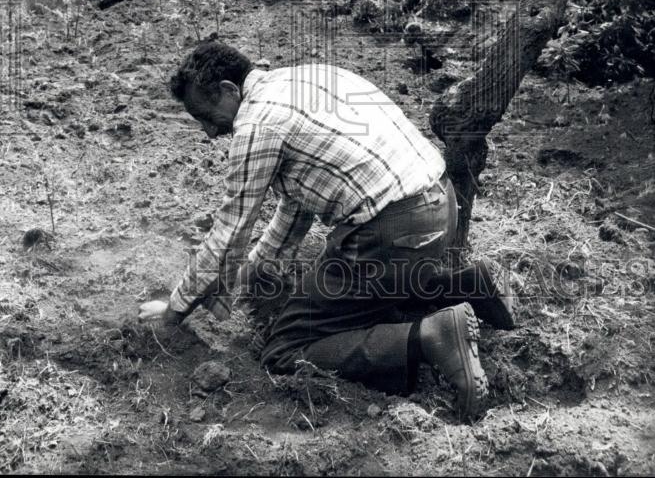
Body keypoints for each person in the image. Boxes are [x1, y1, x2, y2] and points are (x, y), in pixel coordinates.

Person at [139, 41, 515, 421]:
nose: (207, 131)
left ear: (227, 90)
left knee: (287, 347)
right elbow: (295, 208)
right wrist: (256, 271)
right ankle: (471, 285)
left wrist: (175, 311)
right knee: (373, 291)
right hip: (439, 208)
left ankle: (432, 335)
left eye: (205, 115)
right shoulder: (303, 79)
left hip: (391, 233)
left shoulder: (256, 123)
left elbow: (229, 233)